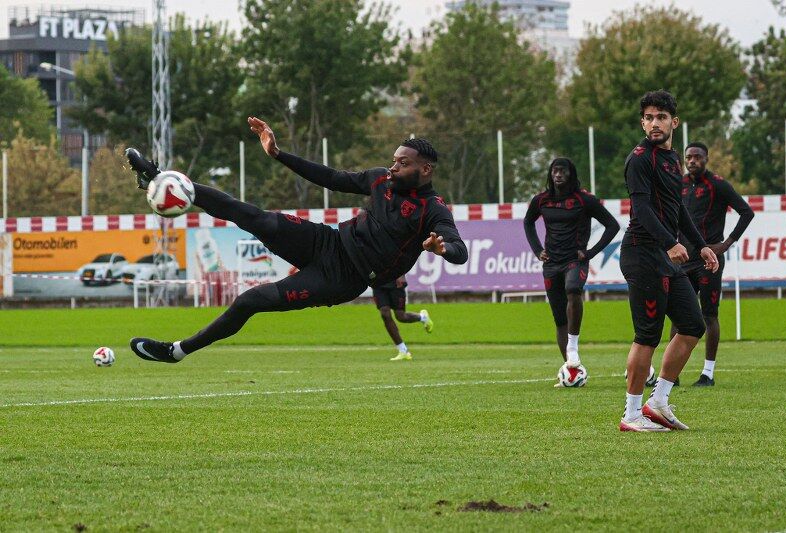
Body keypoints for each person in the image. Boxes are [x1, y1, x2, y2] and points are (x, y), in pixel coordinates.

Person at [126, 116, 467, 362]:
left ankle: (176, 351)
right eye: (393, 160)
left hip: (343, 278)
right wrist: (278, 154)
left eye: (402, 163)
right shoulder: (380, 180)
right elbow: (331, 177)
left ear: (425, 170)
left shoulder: (433, 209)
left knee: (250, 301)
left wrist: (442, 248)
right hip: (328, 241)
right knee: (253, 216)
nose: (392, 167)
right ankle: (161, 177)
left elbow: (460, 250)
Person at [619, 90, 719, 432]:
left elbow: (677, 210)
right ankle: (631, 415)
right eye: (648, 118)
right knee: (647, 335)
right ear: (642, 123)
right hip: (641, 253)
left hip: (662, 256)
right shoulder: (639, 159)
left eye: (660, 117)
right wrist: (671, 243)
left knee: (692, 324)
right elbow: (642, 209)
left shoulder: (672, 159)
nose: (654, 123)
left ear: (673, 122)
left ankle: (658, 402)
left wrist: (701, 246)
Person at [523, 158, 620, 385]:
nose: (558, 174)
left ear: (571, 174)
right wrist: (537, 250)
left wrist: (590, 252)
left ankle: (573, 347)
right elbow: (528, 222)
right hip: (551, 263)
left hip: (574, 261)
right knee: (559, 318)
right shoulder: (541, 200)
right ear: (550, 174)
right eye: (555, 171)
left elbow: (612, 225)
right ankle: (571, 368)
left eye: (563, 171)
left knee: (573, 288)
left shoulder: (584, 199)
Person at [670, 142, 754, 386]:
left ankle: (708, 373)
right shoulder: (678, 185)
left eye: (697, 157)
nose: (692, 161)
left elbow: (746, 212)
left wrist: (725, 244)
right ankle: (671, 374)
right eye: (689, 157)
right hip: (683, 261)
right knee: (678, 316)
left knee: (709, 314)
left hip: (709, 261)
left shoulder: (718, 184)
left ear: (706, 159)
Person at [372, 275, 433, 361]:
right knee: (385, 314)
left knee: (401, 316)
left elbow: (402, 265)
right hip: (377, 283)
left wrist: (400, 275)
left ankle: (423, 317)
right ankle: (403, 351)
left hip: (395, 282)